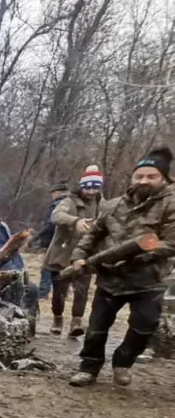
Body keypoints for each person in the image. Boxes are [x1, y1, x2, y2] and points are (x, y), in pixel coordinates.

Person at [68, 146, 175, 388]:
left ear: (163, 178)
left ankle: (123, 362)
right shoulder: (113, 205)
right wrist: (79, 256)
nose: (144, 181)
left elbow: (171, 243)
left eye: (151, 176)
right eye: (139, 176)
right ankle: (89, 367)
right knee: (96, 328)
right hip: (110, 277)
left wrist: (134, 256)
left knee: (144, 327)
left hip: (148, 280)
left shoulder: (171, 204)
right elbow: (93, 234)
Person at [44, 166, 103, 336]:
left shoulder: (102, 204)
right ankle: (57, 319)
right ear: (82, 186)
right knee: (59, 291)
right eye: (88, 187)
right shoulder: (69, 201)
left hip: (86, 253)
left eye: (95, 187)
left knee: (82, 290)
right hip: (62, 253)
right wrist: (75, 221)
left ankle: (76, 322)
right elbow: (56, 216)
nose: (91, 191)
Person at [0, 196, 40, 325]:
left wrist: (20, 269)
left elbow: (12, 251)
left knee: (31, 289)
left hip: (8, 272)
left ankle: (26, 322)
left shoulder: (2, 227)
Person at [34, 182, 71, 299]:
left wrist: (38, 237)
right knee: (62, 267)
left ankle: (43, 293)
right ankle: (62, 292)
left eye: (53, 193)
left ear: (58, 193)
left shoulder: (56, 206)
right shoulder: (72, 204)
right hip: (68, 242)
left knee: (47, 267)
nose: (52, 196)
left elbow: (50, 225)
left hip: (54, 241)